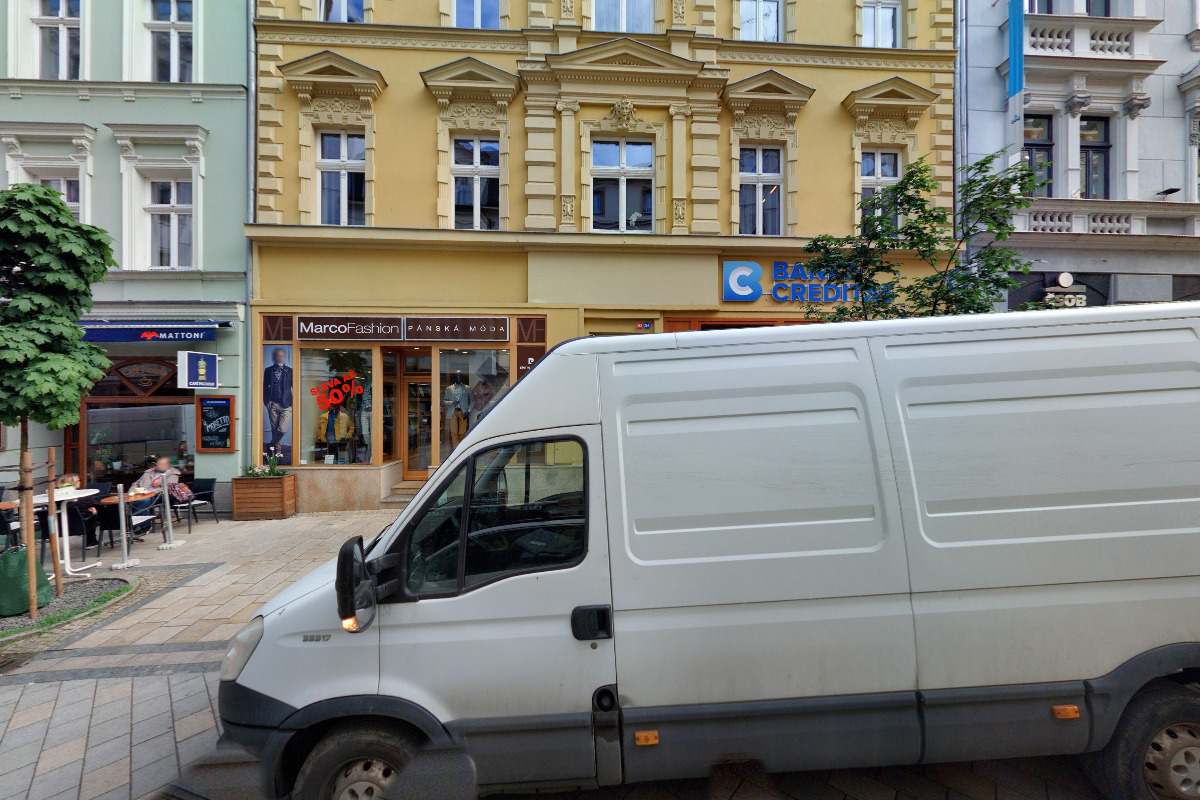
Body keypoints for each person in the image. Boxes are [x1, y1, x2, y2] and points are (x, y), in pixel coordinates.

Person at [129, 456, 180, 533]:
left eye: (162, 464)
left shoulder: (173, 474)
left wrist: (153, 491)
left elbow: (168, 488)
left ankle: (146, 526)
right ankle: (134, 524)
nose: (159, 466)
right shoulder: (149, 472)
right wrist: (132, 491)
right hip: (142, 494)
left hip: (160, 496)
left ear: (168, 465)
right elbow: (136, 483)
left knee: (143, 501)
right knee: (130, 502)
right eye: (158, 464)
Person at [263, 348, 293, 458]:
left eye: (282, 356)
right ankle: (277, 454)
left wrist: (293, 402)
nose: (280, 358)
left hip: (286, 404)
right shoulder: (268, 370)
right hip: (273, 404)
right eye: (278, 356)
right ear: (274, 358)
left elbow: (295, 387)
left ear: (284, 358)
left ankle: (271, 444)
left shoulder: (289, 371)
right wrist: (267, 402)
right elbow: (264, 387)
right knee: (274, 429)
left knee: (282, 429)